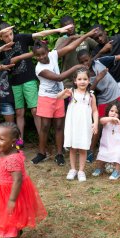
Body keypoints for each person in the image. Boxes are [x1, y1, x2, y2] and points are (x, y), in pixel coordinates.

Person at [0, 22, 74, 140]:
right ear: (0, 37)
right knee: (19, 113)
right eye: (5, 36)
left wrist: (59, 29)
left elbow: (40, 34)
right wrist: (1, 48)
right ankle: (19, 141)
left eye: (11, 34)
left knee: (35, 110)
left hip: (29, 79)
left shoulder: (20, 38)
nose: (9, 37)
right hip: (15, 82)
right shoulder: (1, 51)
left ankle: (42, 141)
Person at [31, 28, 98, 166]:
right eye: (38, 56)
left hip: (59, 97)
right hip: (46, 98)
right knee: (44, 126)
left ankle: (60, 154)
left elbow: (72, 46)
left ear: (48, 51)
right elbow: (59, 77)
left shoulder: (54, 55)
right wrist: (77, 67)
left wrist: (87, 34)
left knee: (59, 126)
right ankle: (41, 153)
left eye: (43, 54)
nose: (41, 57)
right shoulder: (39, 68)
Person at [0, 122, 47, 238]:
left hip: (12, 192)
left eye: (1, 139)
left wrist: (12, 199)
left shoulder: (12, 158)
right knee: (9, 216)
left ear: (13, 142)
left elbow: (18, 179)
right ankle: (15, 231)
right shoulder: (6, 151)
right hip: (4, 189)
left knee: (10, 218)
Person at [57, 68, 99, 181]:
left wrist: (95, 123)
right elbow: (58, 97)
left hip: (85, 125)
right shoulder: (71, 92)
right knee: (73, 147)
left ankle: (81, 170)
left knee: (83, 148)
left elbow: (95, 110)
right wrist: (63, 92)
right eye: (79, 79)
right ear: (75, 81)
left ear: (89, 80)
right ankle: (73, 169)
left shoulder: (91, 96)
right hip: (73, 124)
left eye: (85, 79)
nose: (82, 81)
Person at [54, 16, 97, 89]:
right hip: (68, 81)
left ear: (74, 24)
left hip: (84, 79)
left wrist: (92, 59)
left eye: (71, 25)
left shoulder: (83, 38)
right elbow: (55, 54)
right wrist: (70, 39)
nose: (69, 28)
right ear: (62, 28)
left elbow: (98, 47)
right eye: (66, 26)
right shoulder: (61, 40)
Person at [92, 101, 120, 180]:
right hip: (106, 145)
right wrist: (111, 118)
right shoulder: (106, 122)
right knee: (101, 155)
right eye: (111, 111)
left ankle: (117, 171)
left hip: (117, 146)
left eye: (116, 112)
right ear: (108, 111)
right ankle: (99, 168)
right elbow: (101, 120)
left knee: (117, 155)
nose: (113, 113)